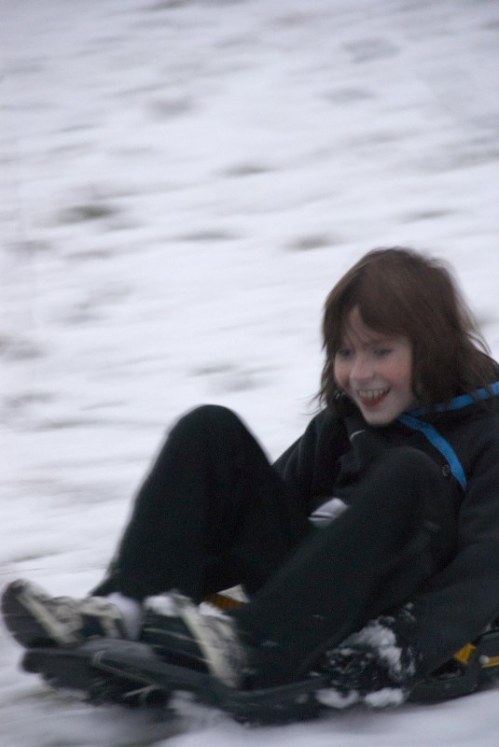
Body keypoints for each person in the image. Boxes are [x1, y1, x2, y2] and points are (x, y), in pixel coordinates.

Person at [3, 247, 499, 706]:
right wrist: (171, 603)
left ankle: (254, 646)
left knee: (409, 473)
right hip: (305, 602)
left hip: (395, 607)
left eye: (380, 351)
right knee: (210, 428)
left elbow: (485, 570)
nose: (359, 373)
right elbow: (247, 520)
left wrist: (400, 647)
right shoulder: (342, 423)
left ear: (433, 347)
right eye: (345, 353)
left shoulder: (486, 434)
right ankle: (125, 609)